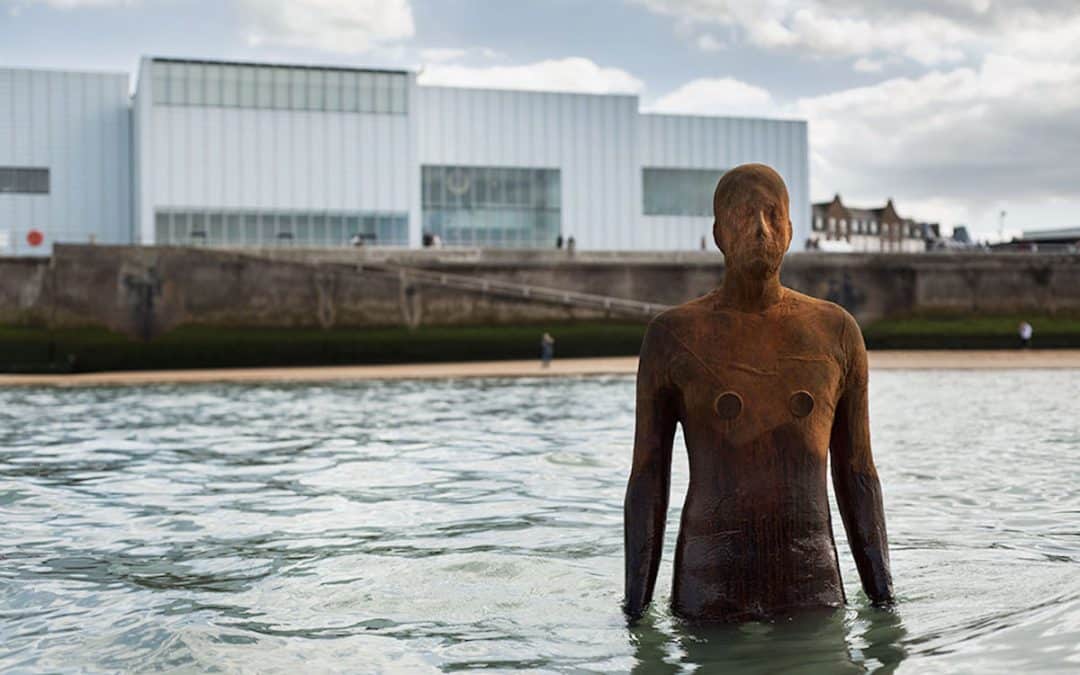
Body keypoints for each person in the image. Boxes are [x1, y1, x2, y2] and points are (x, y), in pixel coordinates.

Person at [624, 163, 893, 623]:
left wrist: (884, 601)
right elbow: (648, 478)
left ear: (789, 230)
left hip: (812, 588)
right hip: (709, 591)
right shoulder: (673, 336)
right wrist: (634, 610)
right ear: (719, 233)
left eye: (772, 215)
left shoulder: (835, 332)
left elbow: (858, 474)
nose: (761, 230)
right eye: (745, 216)